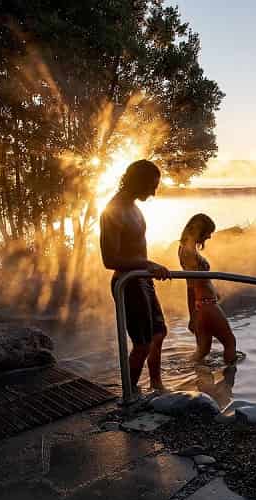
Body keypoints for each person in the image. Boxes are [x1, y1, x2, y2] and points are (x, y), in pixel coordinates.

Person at [100, 159, 170, 393]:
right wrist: (148, 264)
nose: (153, 192)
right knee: (142, 344)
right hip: (128, 283)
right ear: (137, 181)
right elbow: (109, 260)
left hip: (142, 279)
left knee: (159, 333)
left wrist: (147, 269)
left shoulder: (132, 206)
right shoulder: (114, 210)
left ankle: (156, 385)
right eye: (151, 185)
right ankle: (129, 395)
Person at [178, 213, 238, 364]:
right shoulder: (188, 252)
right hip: (206, 305)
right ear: (200, 230)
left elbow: (199, 281)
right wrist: (192, 315)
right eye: (209, 232)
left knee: (203, 349)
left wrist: (214, 291)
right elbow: (190, 286)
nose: (210, 237)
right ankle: (230, 381)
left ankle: (193, 375)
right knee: (230, 342)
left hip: (203, 305)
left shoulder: (187, 249)